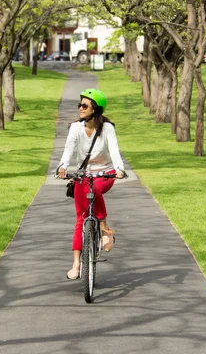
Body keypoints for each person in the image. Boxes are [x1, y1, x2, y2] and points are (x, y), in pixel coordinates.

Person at [57, 88, 126, 280]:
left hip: (105, 173)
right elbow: (68, 150)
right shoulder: (75, 128)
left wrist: (120, 168)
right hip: (83, 174)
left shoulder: (107, 128)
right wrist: (62, 166)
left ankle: (104, 229)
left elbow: (114, 150)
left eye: (85, 105)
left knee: (95, 189)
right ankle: (76, 264)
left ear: (96, 109)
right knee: (80, 218)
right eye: (80, 104)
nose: (80, 108)